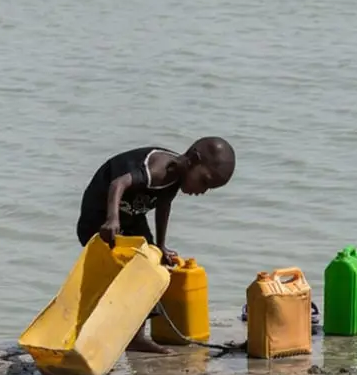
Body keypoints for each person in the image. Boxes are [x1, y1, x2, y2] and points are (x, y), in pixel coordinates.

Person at [75, 137, 236, 354]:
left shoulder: (175, 179)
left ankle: (136, 337)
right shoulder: (159, 169)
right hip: (101, 215)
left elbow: (163, 204)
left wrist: (161, 246)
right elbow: (118, 184)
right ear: (193, 161)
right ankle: (85, 333)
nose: (203, 191)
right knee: (110, 275)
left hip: (132, 216)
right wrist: (112, 219)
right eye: (204, 182)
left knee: (150, 267)